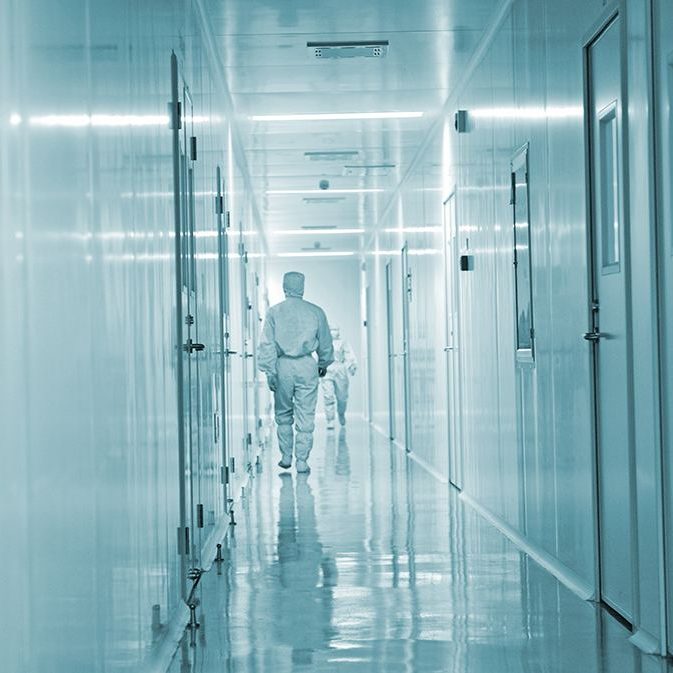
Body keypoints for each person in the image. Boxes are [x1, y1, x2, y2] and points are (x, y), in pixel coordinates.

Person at [258, 272, 333, 473]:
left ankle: (285, 456)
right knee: (306, 413)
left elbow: (267, 344)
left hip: (282, 366)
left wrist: (270, 371)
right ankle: (302, 460)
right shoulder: (315, 311)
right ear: (303, 286)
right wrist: (324, 362)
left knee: (283, 412)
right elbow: (325, 341)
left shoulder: (274, 312)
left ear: (284, 287)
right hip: (307, 365)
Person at [321, 326, 357, 429]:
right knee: (328, 396)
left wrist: (352, 366)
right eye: (331, 330)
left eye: (335, 330)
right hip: (327, 369)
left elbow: (349, 355)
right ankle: (330, 420)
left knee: (342, 397)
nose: (333, 332)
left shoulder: (343, 343)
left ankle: (341, 413)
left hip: (340, 369)